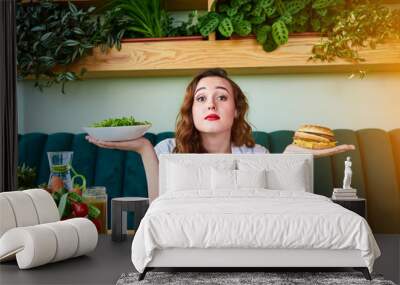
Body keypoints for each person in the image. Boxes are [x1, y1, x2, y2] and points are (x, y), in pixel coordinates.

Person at [86, 68, 355, 202]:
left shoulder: (256, 154)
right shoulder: (168, 149)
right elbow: (160, 207)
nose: (211, 105)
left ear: (236, 110)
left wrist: (292, 155)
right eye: (201, 99)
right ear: (191, 111)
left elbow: (271, 202)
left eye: (221, 97)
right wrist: (144, 147)